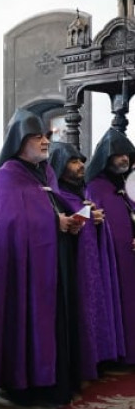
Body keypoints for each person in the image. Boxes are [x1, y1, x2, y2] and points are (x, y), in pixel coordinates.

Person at [0, 108, 86, 407]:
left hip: (55, 260)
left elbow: (53, 205)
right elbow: (11, 222)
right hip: (24, 269)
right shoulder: (6, 176)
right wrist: (54, 222)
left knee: (57, 320)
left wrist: (71, 221)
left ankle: (58, 382)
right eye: (37, 137)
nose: (45, 141)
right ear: (20, 141)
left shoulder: (47, 172)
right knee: (27, 321)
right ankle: (26, 386)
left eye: (45, 136)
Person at [49, 141, 123, 371]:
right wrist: (88, 215)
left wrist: (97, 220)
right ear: (60, 165)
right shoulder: (55, 194)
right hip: (69, 267)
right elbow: (67, 224)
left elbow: (85, 217)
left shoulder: (82, 191)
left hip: (90, 263)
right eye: (73, 161)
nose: (81, 165)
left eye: (81, 160)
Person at [85, 128, 135, 364]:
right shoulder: (95, 187)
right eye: (118, 155)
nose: (124, 159)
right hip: (113, 259)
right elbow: (89, 220)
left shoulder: (127, 184)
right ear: (106, 157)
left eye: (127, 154)